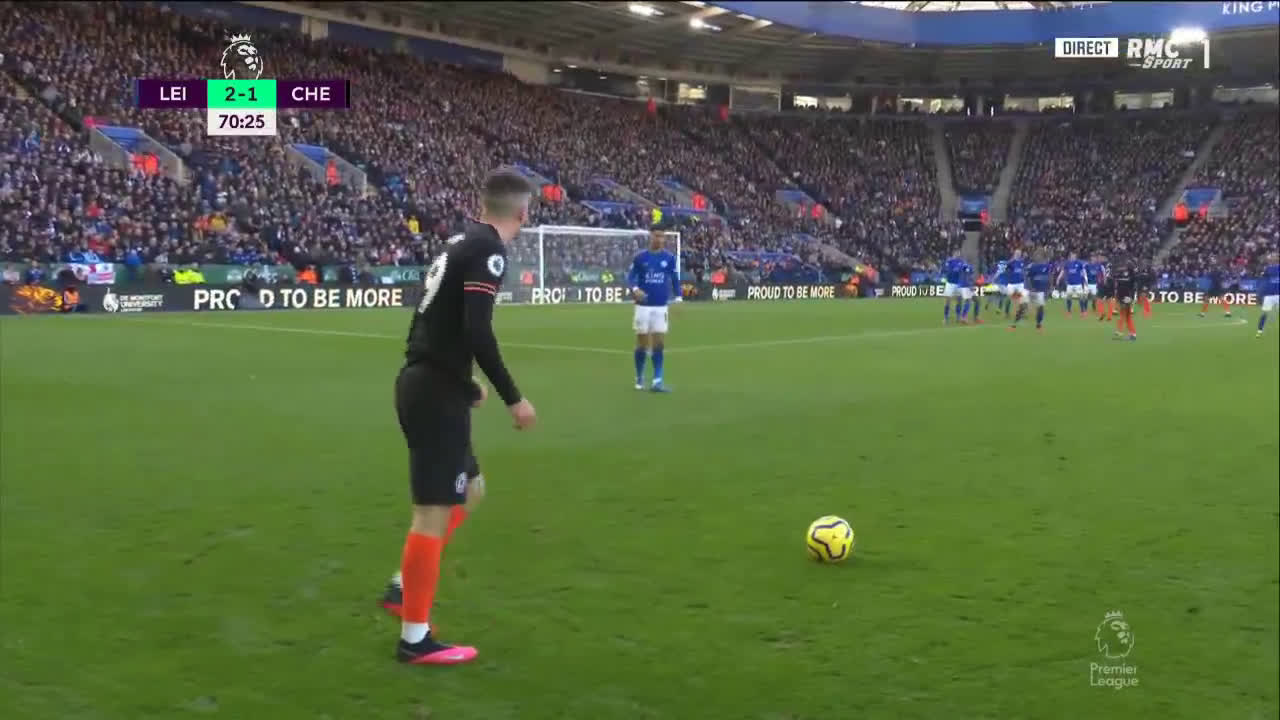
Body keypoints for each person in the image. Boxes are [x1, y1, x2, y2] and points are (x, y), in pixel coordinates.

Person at [384, 170, 538, 666]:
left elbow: (432, 324)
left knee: (470, 491)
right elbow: (477, 331)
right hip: (432, 392)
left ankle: (403, 586)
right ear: (523, 213)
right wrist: (513, 397)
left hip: (431, 383)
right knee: (432, 512)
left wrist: (462, 382)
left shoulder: (459, 242)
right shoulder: (488, 250)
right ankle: (414, 638)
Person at [628, 222, 681, 392]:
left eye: (662, 236)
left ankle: (657, 381)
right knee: (642, 343)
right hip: (643, 306)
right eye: (656, 235)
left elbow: (675, 279)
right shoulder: (640, 257)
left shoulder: (669, 258)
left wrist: (678, 298)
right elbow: (630, 277)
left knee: (659, 343)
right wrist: (635, 289)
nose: (659, 239)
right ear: (650, 236)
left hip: (660, 306)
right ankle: (639, 377)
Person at [1011, 250, 1053, 332]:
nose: (1038, 257)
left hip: (1040, 290)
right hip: (1029, 290)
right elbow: (1026, 277)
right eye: (1036, 256)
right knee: (1023, 306)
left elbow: (1049, 277)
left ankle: (1039, 325)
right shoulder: (1031, 266)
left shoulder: (1046, 266)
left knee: (1040, 307)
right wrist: (1029, 287)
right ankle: (1014, 324)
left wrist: (1050, 287)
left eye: (1039, 255)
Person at [1109, 258, 1139, 341]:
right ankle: (1123, 332)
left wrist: (1130, 298)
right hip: (1124, 296)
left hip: (1126, 297)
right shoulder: (1129, 276)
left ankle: (1130, 333)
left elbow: (1130, 286)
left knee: (1126, 315)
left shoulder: (1130, 276)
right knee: (1124, 315)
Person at [941, 253, 969, 325]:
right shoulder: (949, 261)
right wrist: (954, 270)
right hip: (950, 283)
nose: (958, 254)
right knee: (947, 301)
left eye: (959, 253)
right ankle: (945, 318)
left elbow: (966, 270)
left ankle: (958, 317)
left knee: (959, 300)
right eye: (956, 253)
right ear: (954, 254)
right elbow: (946, 269)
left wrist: (966, 270)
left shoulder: (962, 262)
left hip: (958, 283)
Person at [1059, 252, 1088, 318]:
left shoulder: (1079, 263)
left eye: (1074, 256)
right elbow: (1063, 271)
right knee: (1068, 297)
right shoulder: (1067, 263)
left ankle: (1083, 312)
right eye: (1072, 256)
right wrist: (1059, 278)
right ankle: (1069, 312)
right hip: (1070, 284)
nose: (1073, 257)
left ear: (1075, 257)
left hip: (1078, 284)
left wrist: (1085, 279)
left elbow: (1083, 271)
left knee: (1081, 297)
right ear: (1070, 256)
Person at [1258, 254, 1279, 338]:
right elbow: (1263, 276)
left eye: (1275, 257)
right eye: (1272, 258)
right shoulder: (1268, 268)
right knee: (1265, 313)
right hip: (1269, 295)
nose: (1273, 259)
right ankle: (1260, 330)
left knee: (1265, 313)